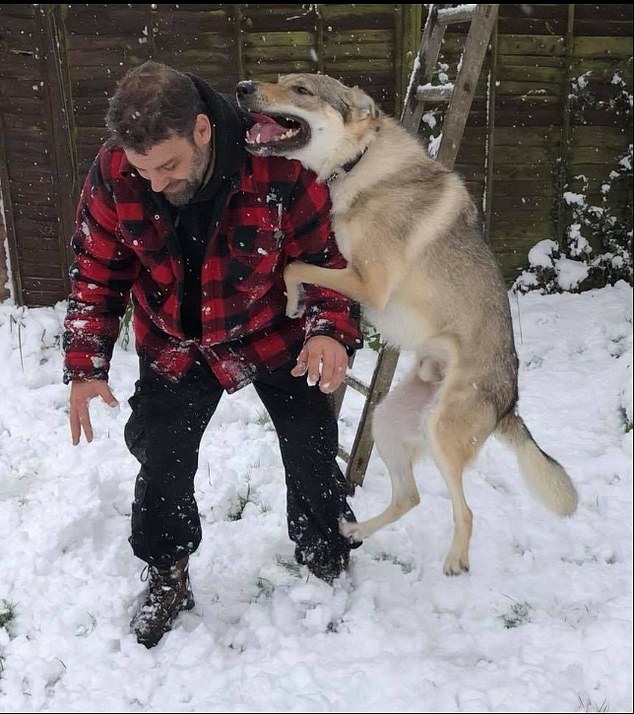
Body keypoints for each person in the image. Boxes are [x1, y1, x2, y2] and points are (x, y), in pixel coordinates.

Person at [63, 61, 362, 648]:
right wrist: (84, 363)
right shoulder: (115, 171)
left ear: (203, 130)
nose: (154, 182)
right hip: (175, 340)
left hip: (274, 328)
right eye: (143, 169)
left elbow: (327, 253)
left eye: (168, 165)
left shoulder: (275, 158)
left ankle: (324, 545)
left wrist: (329, 329)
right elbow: (96, 272)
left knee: (311, 446)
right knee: (163, 460)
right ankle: (168, 570)